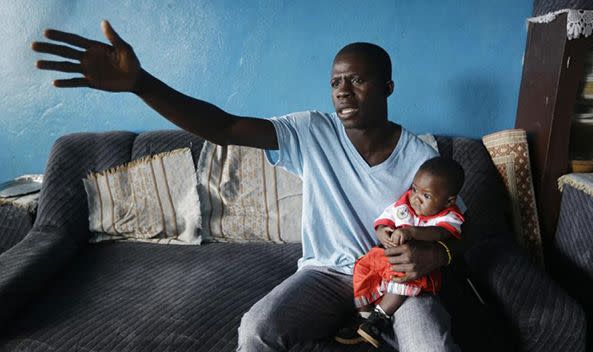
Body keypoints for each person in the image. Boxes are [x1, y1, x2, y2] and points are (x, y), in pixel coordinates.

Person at [32, 20, 463, 351]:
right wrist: (141, 84)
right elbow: (225, 126)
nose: (343, 92)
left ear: (387, 87)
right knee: (258, 330)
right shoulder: (312, 131)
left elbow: (459, 232)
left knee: (432, 344)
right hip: (327, 273)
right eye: (335, 82)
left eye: (357, 80)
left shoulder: (423, 159)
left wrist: (431, 252)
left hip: (397, 284)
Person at [335, 156, 464, 348]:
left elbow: (442, 232)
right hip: (388, 257)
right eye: (414, 189)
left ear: (448, 201)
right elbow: (387, 218)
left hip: (418, 269)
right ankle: (364, 316)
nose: (415, 198)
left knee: (402, 277)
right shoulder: (407, 204)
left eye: (426, 196)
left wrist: (412, 232)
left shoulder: (450, 216)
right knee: (362, 266)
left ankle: (380, 317)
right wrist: (382, 231)